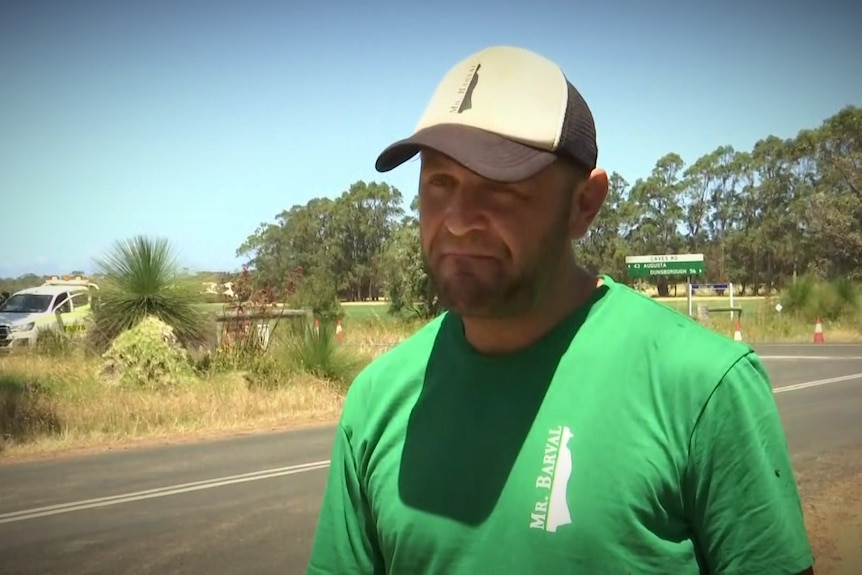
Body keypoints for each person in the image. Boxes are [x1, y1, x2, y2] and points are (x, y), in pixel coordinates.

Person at [307, 45, 815, 574]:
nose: (457, 221)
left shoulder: (702, 387)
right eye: (440, 182)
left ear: (584, 205)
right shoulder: (378, 399)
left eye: (499, 187)